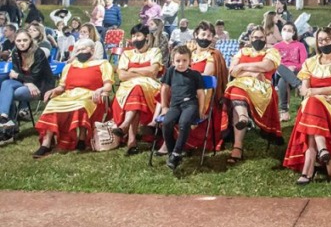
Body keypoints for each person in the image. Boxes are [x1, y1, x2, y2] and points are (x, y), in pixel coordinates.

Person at [284, 27, 331, 183]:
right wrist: (318, 95)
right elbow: (304, 90)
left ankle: (308, 169)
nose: (324, 42)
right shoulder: (310, 62)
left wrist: (319, 92)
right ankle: (322, 149)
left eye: (327, 39)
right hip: (317, 103)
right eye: (321, 40)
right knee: (313, 103)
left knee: (312, 103)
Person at [32, 39, 114, 158]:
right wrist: (53, 90)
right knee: (52, 105)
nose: (81, 52)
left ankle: (82, 137)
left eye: (83, 49)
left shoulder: (102, 64)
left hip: (90, 94)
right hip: (69, 95)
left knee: (82, 105)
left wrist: (100, 89)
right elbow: (61, 87)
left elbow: (108, 85)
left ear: (92, 50)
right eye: (78, 50)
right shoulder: (69, 66)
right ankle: (46, 142)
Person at [222, 26, 283, 163]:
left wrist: (243, 67)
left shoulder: (271, 51)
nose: (258, 40)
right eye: (255, 37)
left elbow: (266, 67)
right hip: (241, 84)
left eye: (261, 38)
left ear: (265, 39)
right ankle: (243, 120)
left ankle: (238, 146)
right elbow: (232, 71)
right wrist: (251, 73)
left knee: (235, 89)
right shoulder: (243, 51)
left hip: (261, 87)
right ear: (250, 38)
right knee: (236, 89)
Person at [111, 24, 163, 155]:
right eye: (133, 36)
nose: (135, 39)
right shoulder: (127, 54)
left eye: (138, 35)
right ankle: (131, 138)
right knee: (136, 89)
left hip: (150, 87)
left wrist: (133, 70)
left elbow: (153, 71)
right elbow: (121, 75)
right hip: (127, 88)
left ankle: (126, 128)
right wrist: (143, 72)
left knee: (138, 88)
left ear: (146, 37)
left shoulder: (155, 51)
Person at [176, 21, 228, 152]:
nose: (205, 38)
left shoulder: (213, 55)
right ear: (196, 34)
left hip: (203, 90)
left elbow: (205, 75)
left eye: (209, 35)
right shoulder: (188, 52)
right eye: (203, 34)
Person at [0, 29, 54, 143]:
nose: (22, 43)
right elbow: (14, 75)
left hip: (41, 87)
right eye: (19, 41)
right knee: (6, 84)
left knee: (14, 93)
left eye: (25, 40)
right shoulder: (15, 52)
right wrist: (27, 82)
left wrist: (23, 78)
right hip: (25, 84)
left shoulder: (38, 53)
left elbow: (34, 77)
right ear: (15, 41)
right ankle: (3, 118)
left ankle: (9, 128)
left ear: (30, 40)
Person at [157, 46, 206, 170]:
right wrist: (164, 106)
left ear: (190, 61)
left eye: (184, 60)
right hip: (175, 105)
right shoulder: (170, 71)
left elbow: (201, 93)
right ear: (173, 61)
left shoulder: (195, 74)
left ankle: (176, 153)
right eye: (178, 61)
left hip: (190, 105)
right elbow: (165, 88)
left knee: (184, 122)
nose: (181, 64)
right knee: (167, 122)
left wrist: (201, 110)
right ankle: (172, 152)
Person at [274, 22, 307, 122]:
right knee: (278, 65)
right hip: (280, 71)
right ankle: (299, 85)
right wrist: (286, 68)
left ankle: (284, 112)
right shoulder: (276, 46)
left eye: (289, 30)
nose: (286, 32)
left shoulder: (300, 45)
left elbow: (304, 62)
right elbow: (274, 62)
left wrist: (295, 67)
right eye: (284, 29)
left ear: (293, 33)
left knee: (282, 82)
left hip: (296, 72)